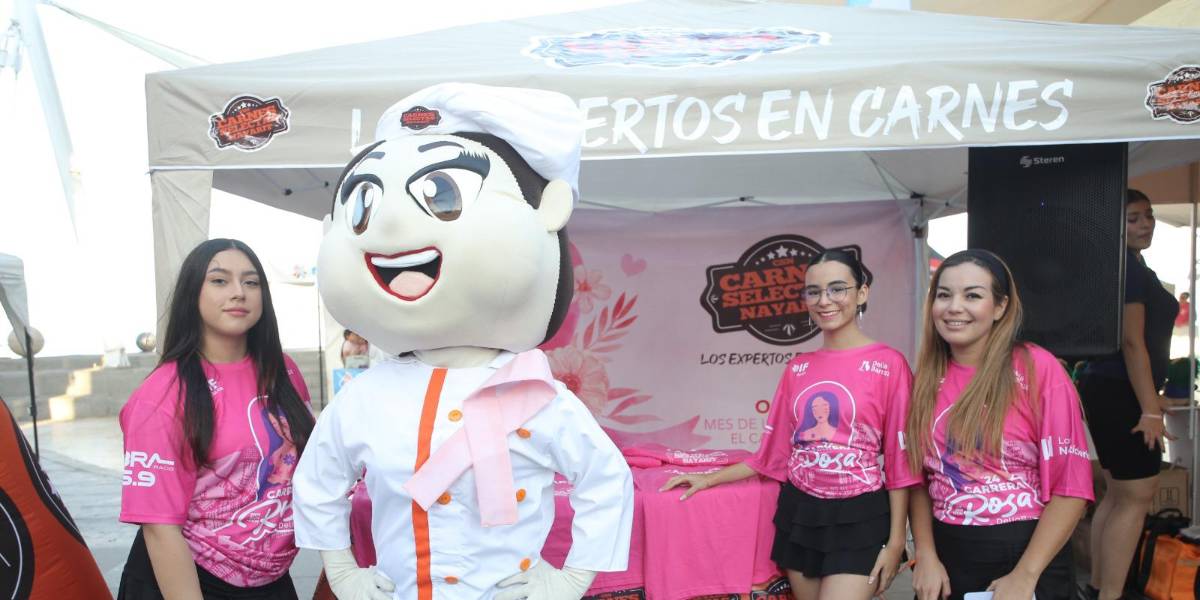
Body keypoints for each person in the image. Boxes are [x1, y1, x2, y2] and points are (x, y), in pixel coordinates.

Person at [291, 83, 634, 600]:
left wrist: (570, 580)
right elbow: (318, 483)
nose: (392, 223)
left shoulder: (536, 394)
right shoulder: (365, 397)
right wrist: (342, 571)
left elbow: (605, 480)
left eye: (442, 194)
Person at [661, 249, 917, 600]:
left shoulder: (889, 364)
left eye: (837, 289)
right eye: (814, 291)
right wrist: (710, 479)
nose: (824, 300)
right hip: (799, 514)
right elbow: (773, 455)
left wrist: (897, 541)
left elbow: (902, 463)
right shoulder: (798, 368)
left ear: (862, 293)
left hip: (860, 517)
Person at [117, 238, 316, 599]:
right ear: (192, 293)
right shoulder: (162, 394)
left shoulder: (283, 371)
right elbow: (160, 529)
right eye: (220, 280)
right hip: (189, 577)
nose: (239, 292)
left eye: (251, 282)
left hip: (270, 576)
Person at [906, 249, 1093, 600]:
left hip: (1027, 555)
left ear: (1001, 307)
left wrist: (1025, 575)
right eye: (944, 295)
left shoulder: (1037, 368)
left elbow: (1072, 487)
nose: (954, 307)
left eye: (972, 296)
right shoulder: (926, 378)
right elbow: (919, 480)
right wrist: (926, 556)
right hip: (947, 558)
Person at [1078, 189, 1179, 600]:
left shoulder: (1129, 265)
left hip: (1111, 388)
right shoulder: (1127, 270)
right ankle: (1110, 595)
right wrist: (1149, 409)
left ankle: (1099, 589)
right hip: (1120, 390)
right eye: (1134, 218)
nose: (1146, 225)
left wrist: (1152, 398)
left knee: (1120, 494)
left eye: (1149, 216)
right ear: (1114, 226)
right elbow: (1132, 343)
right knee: (1136, 496)